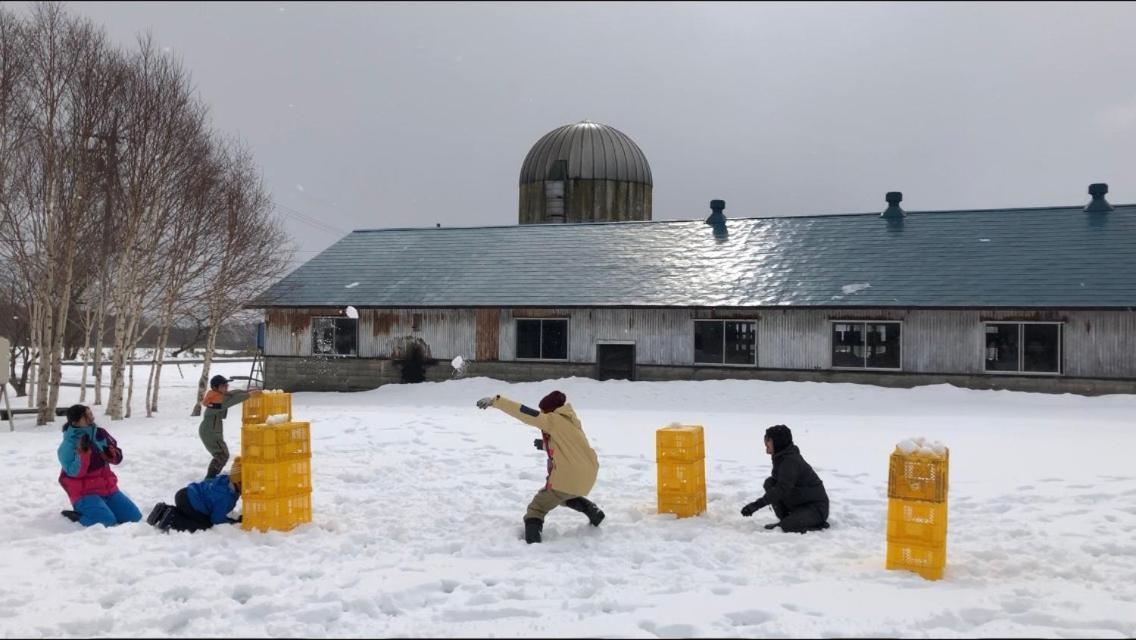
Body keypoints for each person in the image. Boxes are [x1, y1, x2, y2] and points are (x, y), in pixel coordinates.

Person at [476, 390, 604, 544]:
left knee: (537, 508)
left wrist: (496, 401)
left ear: (548, 409)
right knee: (562, 496)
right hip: (588, 476)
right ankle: (593, 512)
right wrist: (545, 445)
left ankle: (533, 542)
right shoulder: (572, 422)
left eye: (543, 410)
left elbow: (524, 412)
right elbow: (570, 448)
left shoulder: (552, 420)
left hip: (568, 476)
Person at [57, 404, 142, 527]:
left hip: (108, 488)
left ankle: (104, 507)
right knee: (106, 522)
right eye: (86, 416)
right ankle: (77, 516)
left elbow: (117, 456)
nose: (91, 417)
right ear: (75, 422)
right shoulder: (67, 445)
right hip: (84, 493)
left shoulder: (100, 433)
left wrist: (113, 455)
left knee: (134, 517)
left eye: (91, 413)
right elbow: (74, 473)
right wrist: (83, 456)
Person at [740, 424, 830, 533]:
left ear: (778, 442)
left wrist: (756, 505)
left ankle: (815, 524)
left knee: (786, 527)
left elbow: (781, 489)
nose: (765, 443)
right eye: (765, 439)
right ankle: (787, 519)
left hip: (815, 508)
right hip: (799, 504)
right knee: (770, 483)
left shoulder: (790, 461)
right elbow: (778, 488)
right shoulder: (781, 458)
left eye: (768, 440)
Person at [146, 457, 243, 533]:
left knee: (195, 515)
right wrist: (234, 522)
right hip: (190, 503)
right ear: (237, 482)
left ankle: (163, 510)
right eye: (245, 484)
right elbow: (217, 520)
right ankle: (172, 518)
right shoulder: (225, 497)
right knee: (205, 525)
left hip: (185, 493)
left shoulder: (225, 479)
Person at [199, 375, 260, 479]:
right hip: (210, 432)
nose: (226, 387)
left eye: (227, 385)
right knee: (222, 454)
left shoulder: (217, 395)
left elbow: (231, 394)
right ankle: (209, 479)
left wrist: (246, 391)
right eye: (223, 385)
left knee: (221, 455)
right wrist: (248, 395)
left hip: (211, 430)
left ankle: (210, 478)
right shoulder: (215, 400)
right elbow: (231, 401)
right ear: (215, 388)